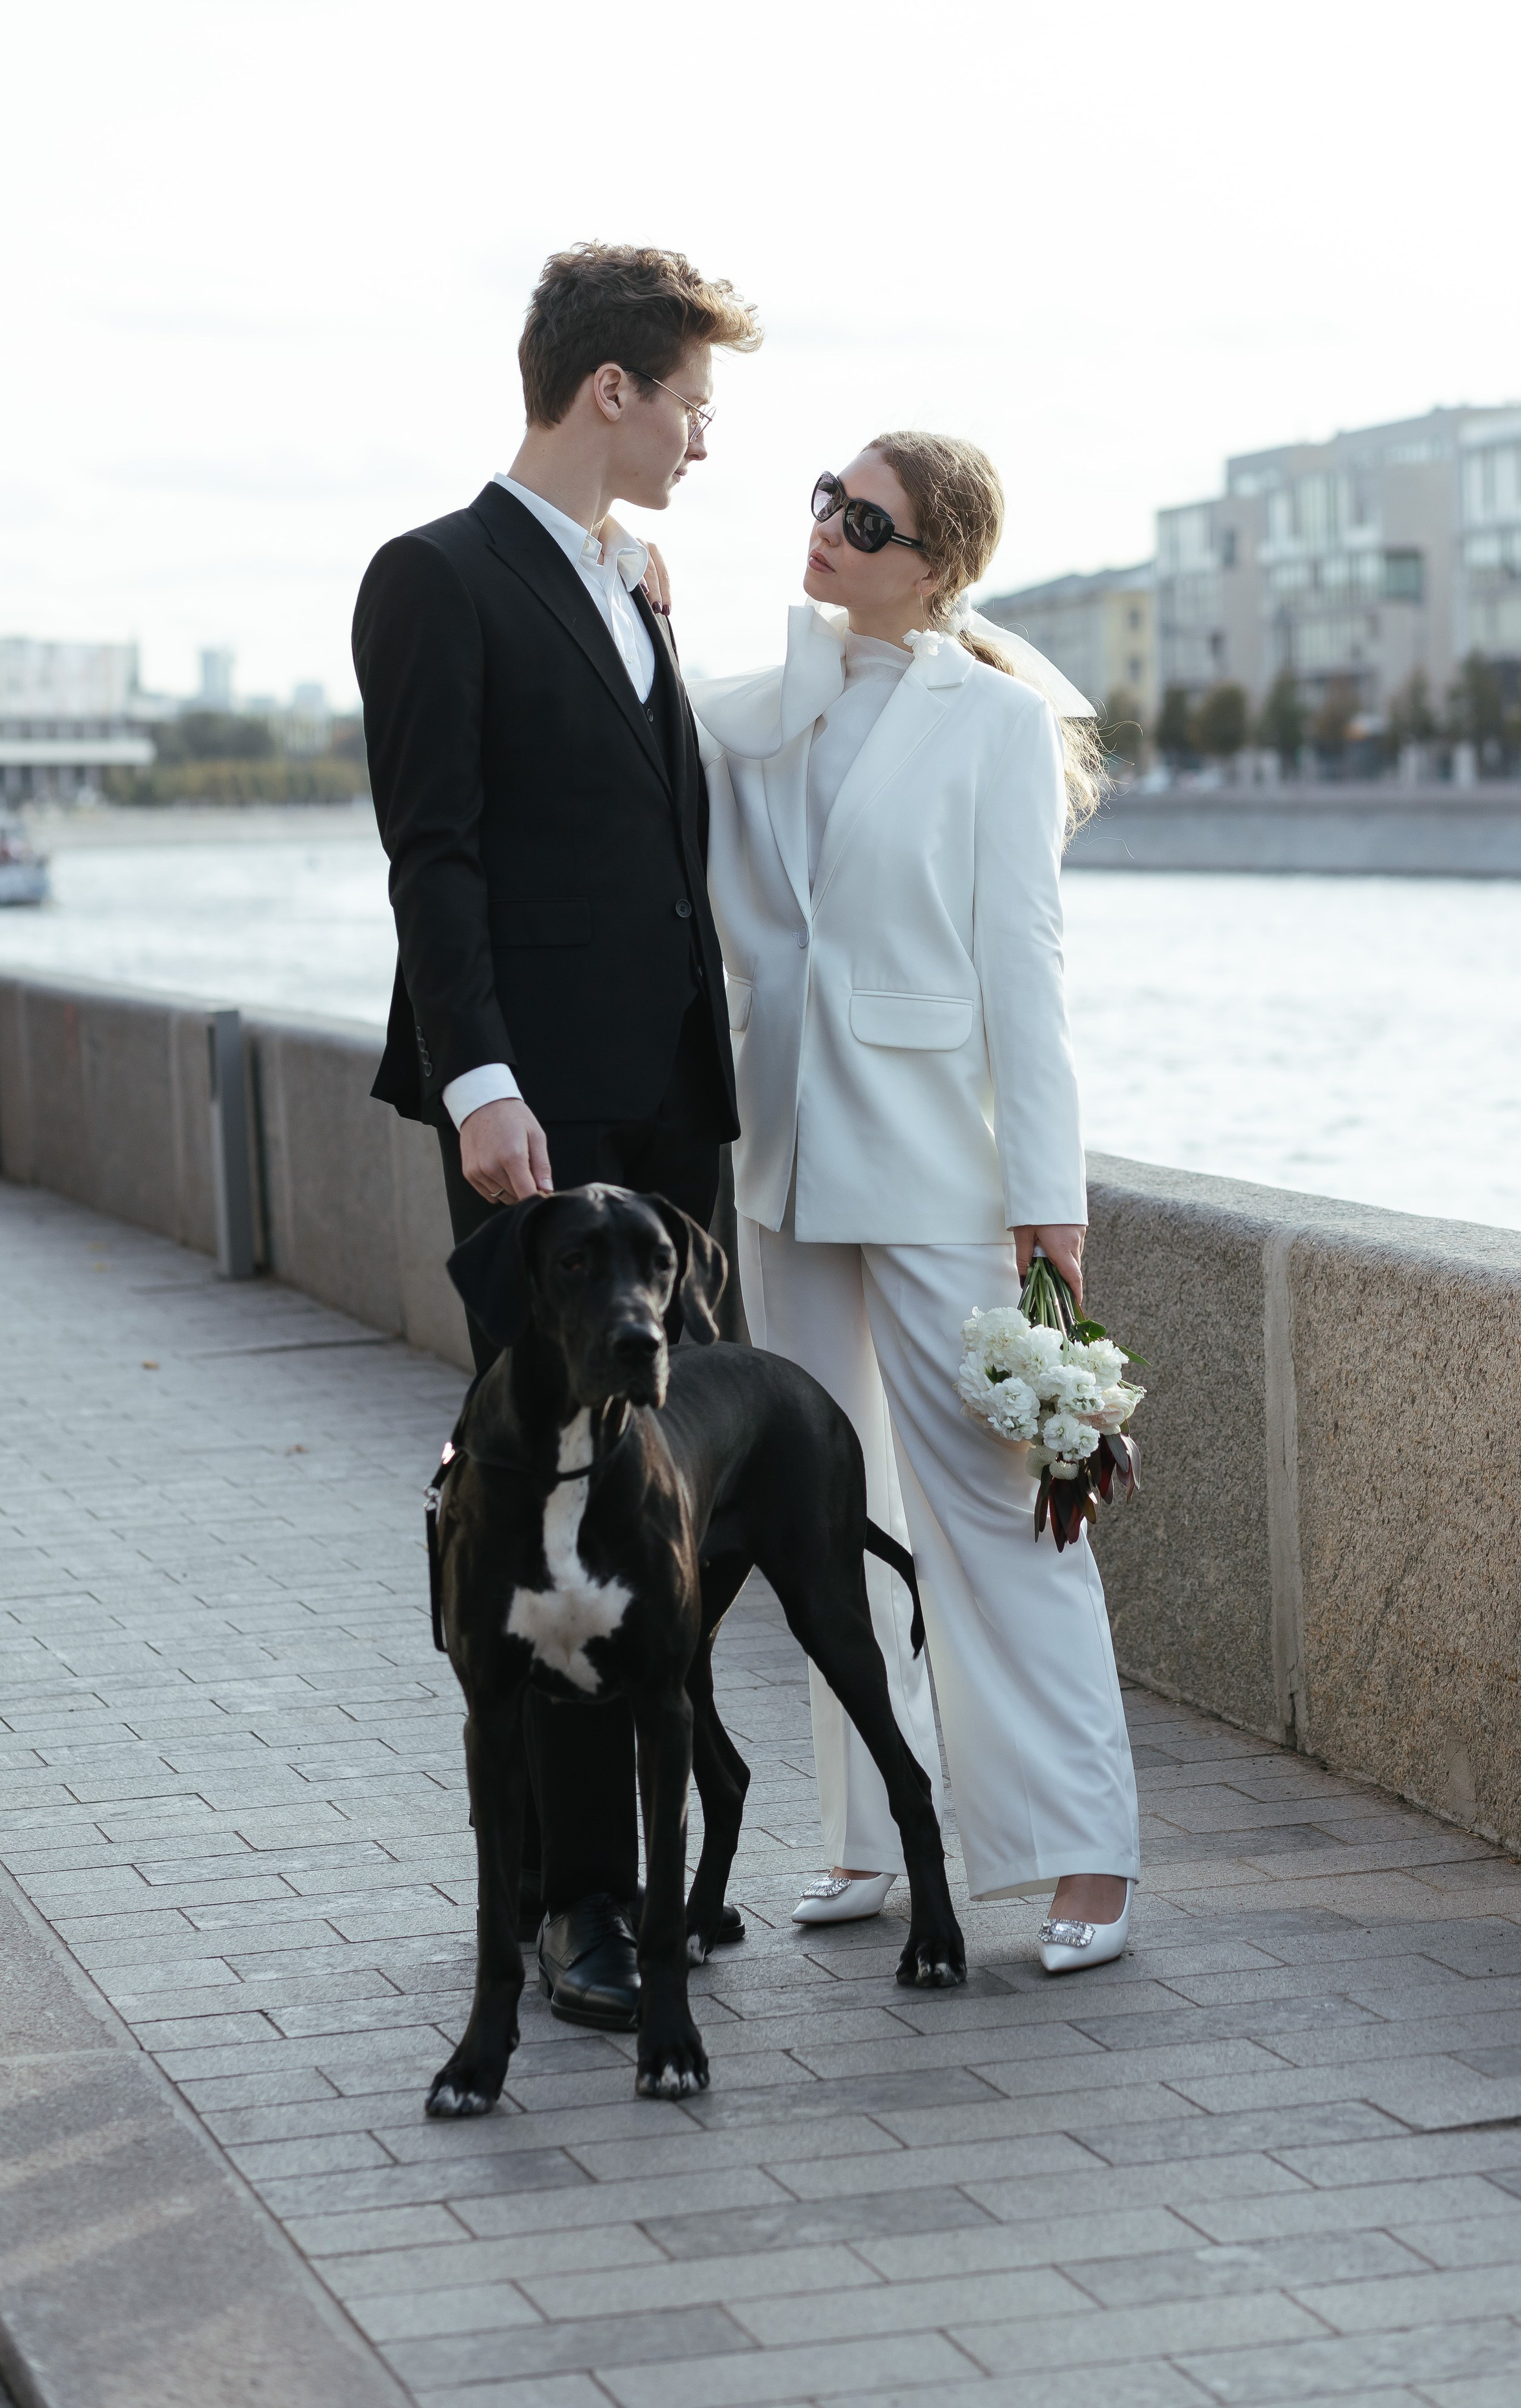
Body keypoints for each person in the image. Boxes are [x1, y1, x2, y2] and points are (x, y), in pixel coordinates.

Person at [353, 242, 761, 2029]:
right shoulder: (433, 579)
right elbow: (432, 852)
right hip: (540, 1127)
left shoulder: (640, 582)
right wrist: (480, 1080)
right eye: (692, 402)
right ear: (614, 390)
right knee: (551, 1516)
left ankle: (654, 1870)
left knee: (654, 1512)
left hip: (665, 1117)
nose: (703, 437)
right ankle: (578, 1909)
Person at [694, 434, 1140, 1972]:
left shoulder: (997, 724)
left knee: (992, 1507)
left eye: (865, 516)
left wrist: (1046, 1201)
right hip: (784, 1156)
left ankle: (1082, 1851)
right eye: (824, 496)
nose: (827, 527)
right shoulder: (757, 699)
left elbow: (1027, 966)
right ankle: (866, 1836)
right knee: (815, 1512)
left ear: (936, 563)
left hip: (938, 1160)